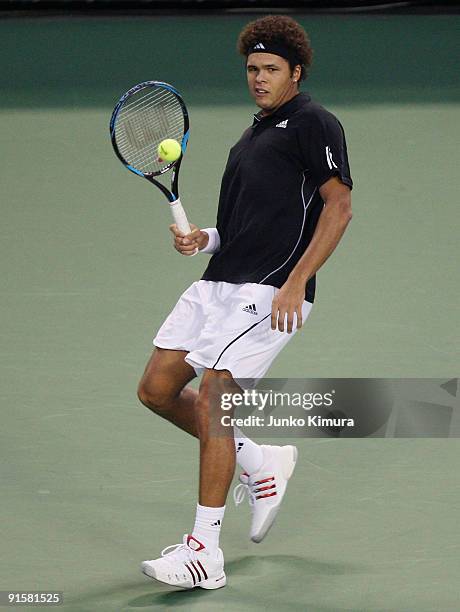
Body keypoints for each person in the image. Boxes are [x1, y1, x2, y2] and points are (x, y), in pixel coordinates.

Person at [138, 14, 352, 590]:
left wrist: (295, 281)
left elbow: (339, 208)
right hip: (218, 284)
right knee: (156, 389)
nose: (258, 77)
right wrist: (202, 239)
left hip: (270, 291)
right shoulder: (251, 136)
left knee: (214, 401)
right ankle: (259, 461)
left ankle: (204, 550)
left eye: (271, 69)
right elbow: (242, 226)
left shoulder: (314, 123)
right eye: (253, 68)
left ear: (295, 72)